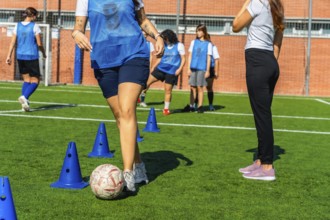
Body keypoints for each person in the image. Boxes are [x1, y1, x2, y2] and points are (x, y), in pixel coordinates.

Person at [73, 0, 164, 192]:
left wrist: (157, 36)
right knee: (120, 115)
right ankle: (139, 165)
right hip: (103, 59)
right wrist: (77, 33)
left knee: (127, 109)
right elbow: (78, 27)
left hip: (134, 54)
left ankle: (128, 173)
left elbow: (143, 20)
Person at [233, 0, 285, 181]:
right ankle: (261, 159)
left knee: (262, 115)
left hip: (257, 62)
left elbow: (235, 25)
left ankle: (267, 166)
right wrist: (273, 58)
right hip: (269, 62)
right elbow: (279, 34)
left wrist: (246, 2)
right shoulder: (276, 6)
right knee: (261, 114)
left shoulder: (256, 2)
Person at [6, 7, 47, 112]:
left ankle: (24, 103)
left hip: (20, 56)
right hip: (31, 56)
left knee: (26, 80)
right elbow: (39, 43)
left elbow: (12, 42)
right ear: (32, 15)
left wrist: (8, 56)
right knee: (36, 80)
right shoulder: (34, 26)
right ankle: (24, 97)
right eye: (36, 16)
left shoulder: (17, 26)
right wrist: (43, 52)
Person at [139, 29, 186, 115]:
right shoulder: (163, 45)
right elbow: (160, 58)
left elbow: (183, 59)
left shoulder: (179, 45)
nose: (163, 39)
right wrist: (154, 66)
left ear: (170, 37)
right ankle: (137, 97)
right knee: (146, 82)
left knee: (168, 90)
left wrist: (179, 69)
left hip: (172, 71)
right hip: (161, 68)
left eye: (165, 38)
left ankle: (166, 109)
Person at [183, 24, 212, 113]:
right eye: (197, 31)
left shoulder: (208, 44)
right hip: (193, 68)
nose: (198, 32)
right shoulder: (193, 42)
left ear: (204, 32)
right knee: (192, 87)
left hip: (202, 68)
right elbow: (190, 55)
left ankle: (200, 106)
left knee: (200, 87)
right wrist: (188, 68)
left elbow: (208, 58)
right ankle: (191, 106)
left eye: (199, 31)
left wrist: (207, 70)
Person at [138, 30, 154, 106]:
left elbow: (151, 56)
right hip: (137, 65)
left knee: (145, 84)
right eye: (143, 32)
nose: (144, 34)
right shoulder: (136, 43)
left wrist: (150, 66)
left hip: (145, 66)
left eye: (146, 33)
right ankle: (135, 99)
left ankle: (142, 101)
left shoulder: (150, 44)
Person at [206, 40, 220, 111]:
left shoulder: (213, 47)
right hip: (200, 68)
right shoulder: (198, 45)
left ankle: (210, 105)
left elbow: (216, 59)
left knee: (209, 87)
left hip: (210, 68)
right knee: (198, 87)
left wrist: (216, 71)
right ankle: (196, 105)